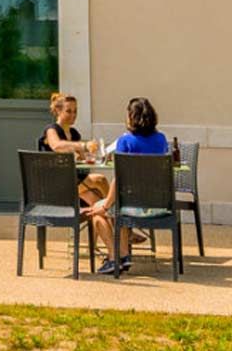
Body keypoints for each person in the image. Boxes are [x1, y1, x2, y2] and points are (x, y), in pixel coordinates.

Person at [91, 97, 171, 276]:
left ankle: (114, 258)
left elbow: (118, 178)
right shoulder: (161, 139)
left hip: (131, 205)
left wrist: (105, 205)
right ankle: (124, 255)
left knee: (98, 213)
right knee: (116, 210)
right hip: (158, 205)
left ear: (131, 117)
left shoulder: (125, 141)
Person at [39, 92, 92, 158]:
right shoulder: (51, 129)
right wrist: (83, 145)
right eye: (68, 111)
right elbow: (56, 146)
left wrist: (92, 154)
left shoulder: (74, 133)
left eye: (75, 111)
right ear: (58, 111)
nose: (73, 115)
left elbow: (81, 156)